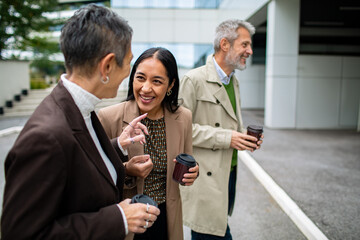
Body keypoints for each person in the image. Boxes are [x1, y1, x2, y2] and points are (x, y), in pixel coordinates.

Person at [1, 5, 160, 240]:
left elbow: (76, 163)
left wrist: (117, 146)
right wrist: (118, 218)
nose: (128, 72)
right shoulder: (44, 138)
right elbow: (22, 234)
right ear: (106, 66)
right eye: (128, 62)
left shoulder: (78, 108)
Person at [98, 47, 199, 240]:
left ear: (171, 85)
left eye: (157, 81)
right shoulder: (109, 117)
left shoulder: (183, 117)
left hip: (166, 218)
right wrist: (127, 170)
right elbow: (94, 176)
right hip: (127, 220)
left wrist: (194, 172)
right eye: (140, 78)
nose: (145, 88)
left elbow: (188, 159)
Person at [179, 19, 264, 239]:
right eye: (244, 45)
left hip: (228, 171)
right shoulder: (193, 80)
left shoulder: (233, 81)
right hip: (204, 178)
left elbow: (230, 126)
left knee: (216, 228)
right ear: (225, 44)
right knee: (214, 233)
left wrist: (244, 138)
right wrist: (228, 138)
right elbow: (181, 130)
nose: (250, 51)